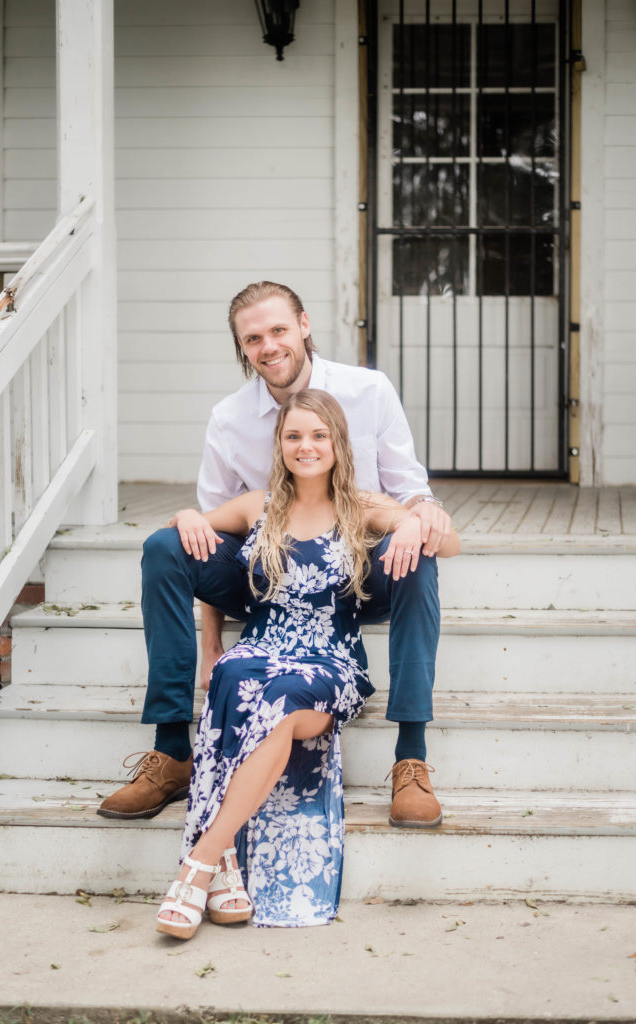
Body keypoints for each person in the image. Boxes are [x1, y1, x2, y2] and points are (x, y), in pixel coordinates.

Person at [98, 280, 454, 828]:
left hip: (358, 572)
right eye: (253, 338)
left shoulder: (368, 390)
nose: (269, 346)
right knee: (165, 547)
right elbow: (208, 534)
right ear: (243, 348)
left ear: (304, 326)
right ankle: (171, 750)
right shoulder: (229, 419)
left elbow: (411, 489)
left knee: (418, 556)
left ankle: (411, 756)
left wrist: (417, 519)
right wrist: (211, 639)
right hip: (270, 580)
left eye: (279, 330)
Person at [155, 389, 460, 938]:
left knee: (279, 699)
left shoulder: (364, 507)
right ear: (279, 444)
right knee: (238, 675)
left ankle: (198, 863)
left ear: (339, 444)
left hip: (328, 660)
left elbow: (452, 542)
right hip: (258, 649)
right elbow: (193, 529)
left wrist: (417, 519)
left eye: (319, 435)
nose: (306, 446)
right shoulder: (258, 505)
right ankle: (221, 870)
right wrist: (182, 514)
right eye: (294, 435)